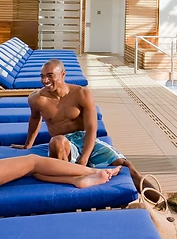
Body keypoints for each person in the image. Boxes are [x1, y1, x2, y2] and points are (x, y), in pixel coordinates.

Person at [12, 59, 159, 200]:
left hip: (85, 139)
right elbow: (35, 119)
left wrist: (84, 158)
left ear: (63, 74)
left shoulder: (81, 94)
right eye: (42, 76)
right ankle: (78, 178)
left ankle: (160, 202)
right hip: (64, 144)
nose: (45, 81)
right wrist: (28, 145)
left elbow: (91, 128)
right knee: (57, 141)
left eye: (50, 76)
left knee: (126, 165)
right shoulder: (37, 99)